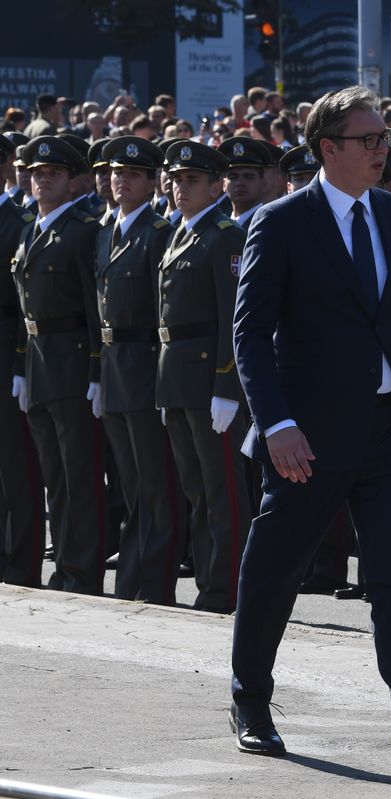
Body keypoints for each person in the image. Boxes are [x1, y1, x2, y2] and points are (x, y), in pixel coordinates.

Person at [229, 86, 391, 776]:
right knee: (275, 572)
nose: (383, 151)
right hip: (308, 434)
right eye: (368, 140)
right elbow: (249, 336)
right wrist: (275, 422)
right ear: (327, 149)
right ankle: (251, 700)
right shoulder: (280, 222)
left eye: (385, 138)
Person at [157, 140, 252, 614]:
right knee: (197, 491)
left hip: (207, 382)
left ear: (216, 186)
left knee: (224, 492)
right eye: (176, 180)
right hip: (177, 380)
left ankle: (228, 588)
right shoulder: (182, 231)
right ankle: (210, 583)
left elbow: (233, 320)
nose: (181, 188)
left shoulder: (224, 235)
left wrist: (226, 387)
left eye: (192, 180)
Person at [10, 136, 106, 594]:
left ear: (73, 182)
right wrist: (20, 367)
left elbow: (94, 311)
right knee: (55, 477)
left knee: (80, 474)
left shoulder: (83, 229)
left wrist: (95, 372)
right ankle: (65, 563)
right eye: (36, 173)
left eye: (52, 174)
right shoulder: (32, 228)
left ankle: (81, 570)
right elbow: (26, 311)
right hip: (40, 361)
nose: (42, 180)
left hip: (71, 362)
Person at [94, 137, 181, 604]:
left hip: (146, 368)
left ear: (152, 183)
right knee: (130, 486)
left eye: (131, 175)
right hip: (113, 371)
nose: (120, 181)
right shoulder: (107, 232)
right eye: (114, 173)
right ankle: (132, 578)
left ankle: (154, 581)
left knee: (155, 485)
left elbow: (163, 313)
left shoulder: (158, 232)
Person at [0, 139, 41, 587]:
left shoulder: (19, 221)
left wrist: (17, 363)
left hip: (7, 344)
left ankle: (22, 561)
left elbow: (24, 302)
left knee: (16, 466)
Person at [217, 138, 272, 228]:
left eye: (248, 177)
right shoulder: (219, 224)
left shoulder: (270, 223)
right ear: (224, 184)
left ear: (263, 182)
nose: (240, 183)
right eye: (233, 177)